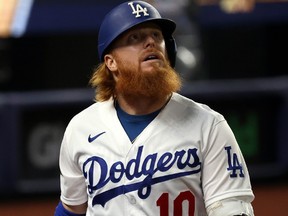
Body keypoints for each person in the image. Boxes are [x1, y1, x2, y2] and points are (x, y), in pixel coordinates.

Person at [54, 1, 255, 215]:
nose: (150, 42)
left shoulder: (208, 125)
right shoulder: (81, 128)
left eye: (156, 36)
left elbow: (232, 209)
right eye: (135, 37)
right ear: (111, 62)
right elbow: (71, 209)